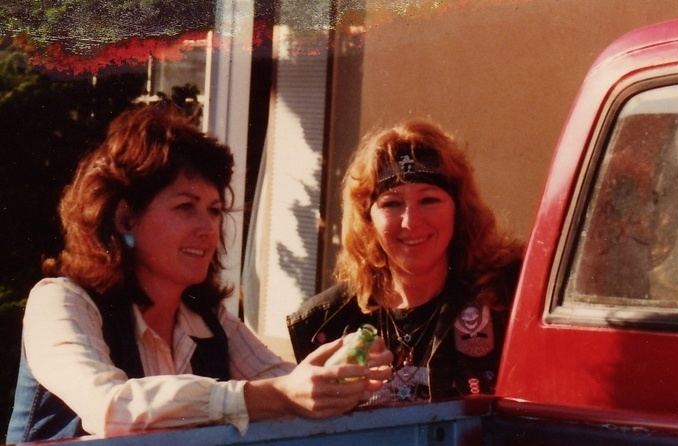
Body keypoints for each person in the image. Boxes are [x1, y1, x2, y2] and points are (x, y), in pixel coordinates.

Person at [6, 103, 392, 443]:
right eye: (185, 207)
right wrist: (272, 395)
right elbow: (113, 408)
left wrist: (339, 375)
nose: (208, 229)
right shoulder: (61, 301)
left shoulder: (207, 320)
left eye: (213, 210)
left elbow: (286, 384)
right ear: (125, 217)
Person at [287, 119, 523, 404]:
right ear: (367, 219)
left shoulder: (507, 297)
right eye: (392, 203)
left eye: (429, 200)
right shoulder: (323, 324)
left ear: (459, 210)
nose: (411, 222)